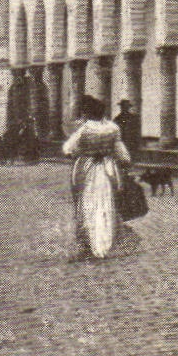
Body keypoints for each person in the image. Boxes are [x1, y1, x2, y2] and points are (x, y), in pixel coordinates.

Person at [62, 95, 136, 261]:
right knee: (107, 204)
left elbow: (68, 148)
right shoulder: (113, 128)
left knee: (88, 204)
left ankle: (91, 243)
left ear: (87, 112)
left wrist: (78, 153)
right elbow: (123, 155)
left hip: (87, 169)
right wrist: (123, 161)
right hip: (107, 169)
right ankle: (105, 244)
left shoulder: (84, 128)